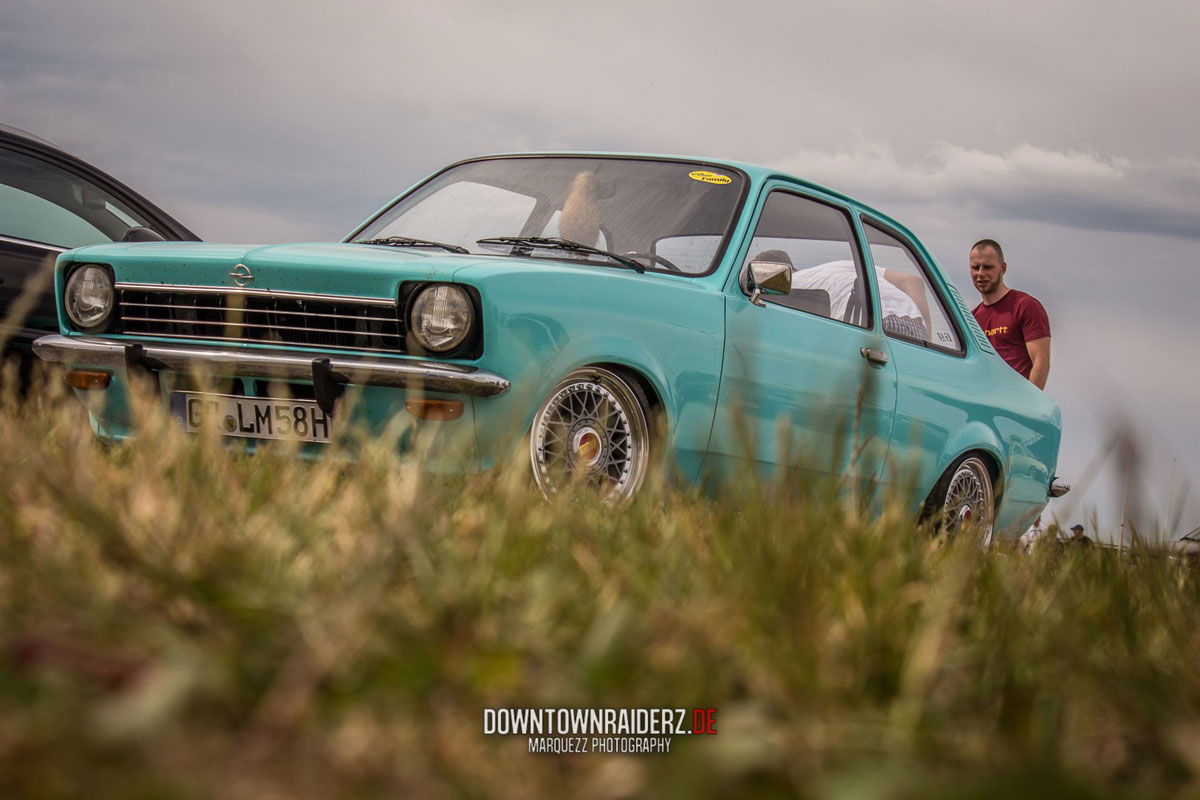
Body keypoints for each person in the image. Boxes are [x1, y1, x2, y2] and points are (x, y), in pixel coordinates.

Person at [969, 239, 1051, 389]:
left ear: (1003, 268)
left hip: (1017, 403)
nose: (980, 273)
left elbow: (1041, 361)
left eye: (987, 267)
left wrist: (1030, 405)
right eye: (975, 267)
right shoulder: (971, 319)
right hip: (987, 402)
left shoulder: (1025, 306)